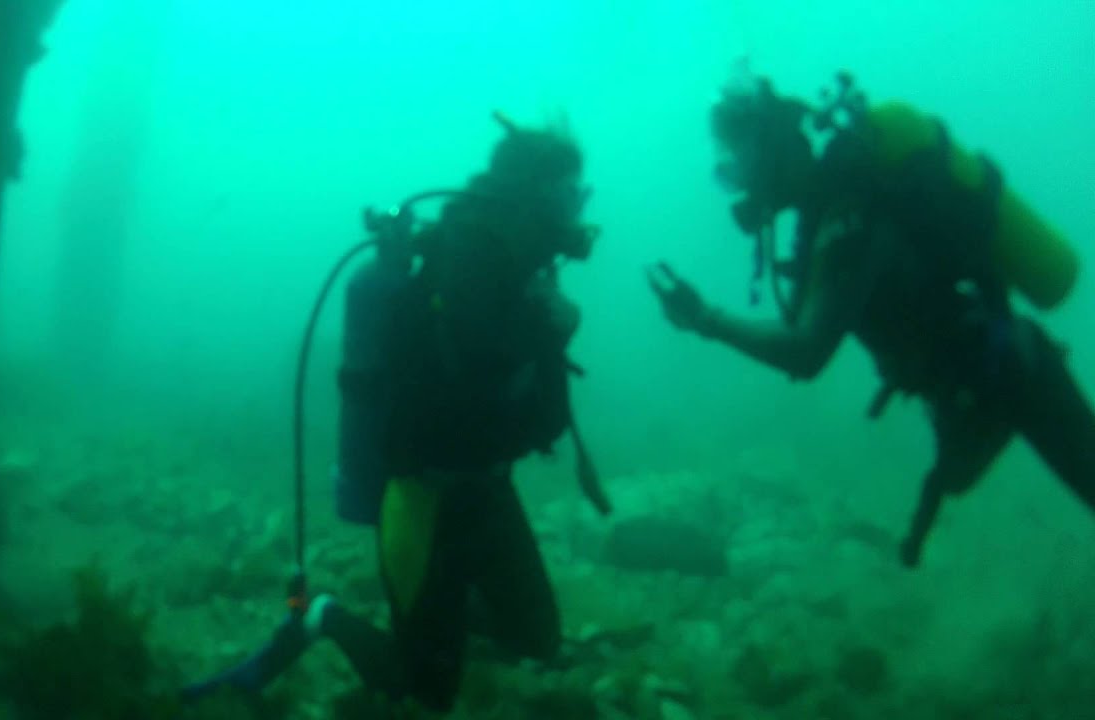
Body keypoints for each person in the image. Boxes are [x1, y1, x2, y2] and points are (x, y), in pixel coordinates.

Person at [186, 113, 606, 713]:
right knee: (425, 692)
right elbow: (477, 364)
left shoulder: (510, 263)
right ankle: (323, 618)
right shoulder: (474, 262)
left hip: (487, 491)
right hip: (423, 500)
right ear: (537, 194)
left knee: (535, 637)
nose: (578, 211)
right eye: (571, 194)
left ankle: (440, 616)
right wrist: (551, 329)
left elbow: (519, 407)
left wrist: (547, 326)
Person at [647, 67, 1092, 568]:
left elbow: (807, 351)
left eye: (741, 162)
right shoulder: (829, 219)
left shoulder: (848, 217)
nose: (740, 180)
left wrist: (708, 319)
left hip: (1010, 371)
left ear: (771, 151)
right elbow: (806, 331)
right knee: (960, 482)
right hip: (977, 385)